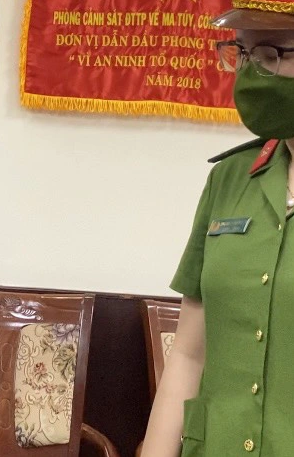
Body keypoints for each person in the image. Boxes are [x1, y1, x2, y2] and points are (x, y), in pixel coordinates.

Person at [142, 1, 294, 455]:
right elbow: (188, 356)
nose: (249, 73)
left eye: (269, 54)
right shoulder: (230, 179)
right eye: (242, 53)